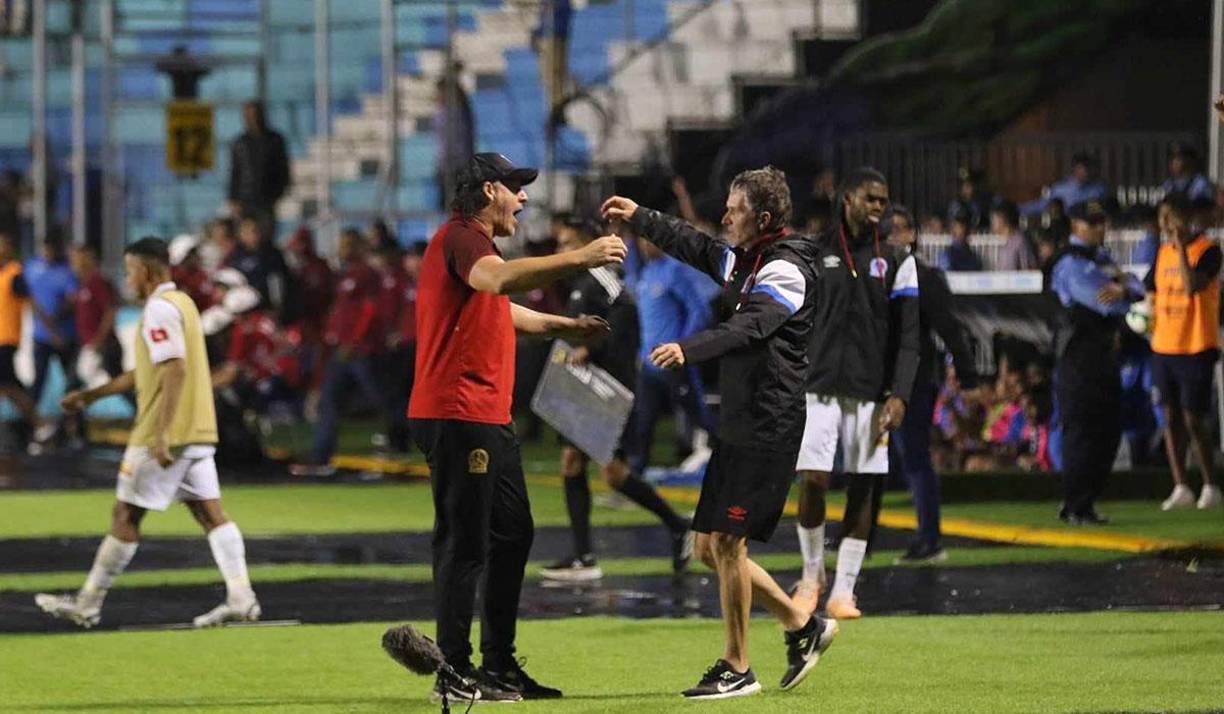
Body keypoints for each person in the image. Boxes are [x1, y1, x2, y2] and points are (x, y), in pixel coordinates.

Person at [603, 167, 837, 699]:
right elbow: (693, 244)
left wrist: (690, 347)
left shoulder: (787, 271)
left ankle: (738, 666)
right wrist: (640, 216)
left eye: (735, 208)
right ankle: (804, 627)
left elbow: (748, 325)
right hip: (741, 419)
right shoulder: (744, 257)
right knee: (708, 547)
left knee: (728, 542)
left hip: (768, 423)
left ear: (765, 218)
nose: (725, 215)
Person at [408, 152, 625, 703]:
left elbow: (496, 307)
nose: (523, 197)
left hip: (483, 414)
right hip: (457, 412)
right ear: (487, 191)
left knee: (512, 532)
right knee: (465, 544)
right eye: (515, 187)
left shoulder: (472, 245)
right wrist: (580, 256)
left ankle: (498, 665)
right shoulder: (462, 239)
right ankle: (453, 671)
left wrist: (563, 325)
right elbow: (499, 281)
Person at [35, 237, 261, 628]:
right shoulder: (184, 304)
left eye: (130, 270)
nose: (128, 278)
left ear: (148, 270)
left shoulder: (158, 309)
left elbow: (173, 368)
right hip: (198, 429)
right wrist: (92, 395)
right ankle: (241, 596)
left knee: (125, 514)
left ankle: (88, 602)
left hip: (166, 431)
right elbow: (151, 370)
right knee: (210, 513)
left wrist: (160, 433)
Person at [792, 167, 920, 620]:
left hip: (871, 392)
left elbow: (908, 337)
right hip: (818, 387)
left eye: (884, 201)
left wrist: (899, 393)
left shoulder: (899, 260)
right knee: (813, 478)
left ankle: (844, 590)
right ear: (847, 199)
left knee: (864, 489)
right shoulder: (813, 253)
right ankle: (812, 576)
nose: (879, 208)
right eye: (871, 199)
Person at [540, 215, 693, 582]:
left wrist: (592, 349)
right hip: (592, 387)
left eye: (568, 243)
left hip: (607, 388)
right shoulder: (584, 282)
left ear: (588, 243)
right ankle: (668, 528)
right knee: (592, 467)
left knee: (594, 468)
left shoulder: (602, 279)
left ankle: (589, 555)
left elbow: (623, 316)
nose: (562, 251)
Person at [884, 206, 979, 562]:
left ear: (912, 234)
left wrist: (967, 379)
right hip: (879, 382)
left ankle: (929, 539)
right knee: (879, 463)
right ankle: (863, 541)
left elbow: (952, 331)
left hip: (913, 383)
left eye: (899, 230)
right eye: (887, 231)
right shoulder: (873, 275)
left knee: (915, 458)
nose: (893, 237)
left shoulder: (924, 277)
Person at [1049, 199, 1143, 525]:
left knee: (1108, 429)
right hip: (1077, 358)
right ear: (1076, 225)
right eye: (1093, 223)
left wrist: (1125, 288)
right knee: (1082, 431)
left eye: (1102, 222)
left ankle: (1084, 503)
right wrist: (1124, 289)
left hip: (1102, 357)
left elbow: (1135, 285)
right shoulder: (1071, 264)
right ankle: (1075, 504)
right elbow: (1107, 304)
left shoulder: (1100, 259)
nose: (1100, 228)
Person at [620, 225, 718, 478]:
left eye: (650, 240)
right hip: (648, 365)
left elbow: (701, 311)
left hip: (674, 363)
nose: (645, 246)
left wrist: (682, 345)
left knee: (699, 417)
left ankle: (732, 463)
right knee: (642, 424)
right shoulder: (646, 273)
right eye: (642, 241)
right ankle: (633, 482)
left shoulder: (675, 272)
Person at [1145, 193, 1222, 510]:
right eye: (1162, 218)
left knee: (1194, 418)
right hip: (1164, 345)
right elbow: (1151, 290)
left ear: (1186, 218)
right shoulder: (1161, 253)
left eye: (1170, 217)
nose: (1165, 225)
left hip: (1195, 345)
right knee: (1169, 416)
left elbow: (1191, 286)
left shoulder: (1209, 251)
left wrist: (1180, 250)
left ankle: (1210, 485)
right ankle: (1180, 486)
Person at [291, 228, 386, 477]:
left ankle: (407, 445)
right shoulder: (345, 275)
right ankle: (320, 455)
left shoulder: (367, 274)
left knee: (382, 400)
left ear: (357, 247)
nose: (341, 249)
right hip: (342, 350)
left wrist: (355, 342)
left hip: (361, 351)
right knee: (329, 401)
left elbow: (370, 310)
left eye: (346, 244)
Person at [25, 235, 80, 423]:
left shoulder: (67, 270)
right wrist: (49, 328)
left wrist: (57, 321)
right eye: (45, 249)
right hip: (41, 337)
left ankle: (76, 430)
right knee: (38, 382)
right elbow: (29, 298)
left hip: (66, 337)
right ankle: (28, 428)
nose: (48, 253)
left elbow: (73, 300)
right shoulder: (31, 267)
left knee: (72, 384)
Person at [68, 244, 128, 415]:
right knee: (73, 386)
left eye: (76, 258)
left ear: (88, 259)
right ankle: (73, 430)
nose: (73, 263)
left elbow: (110, 310)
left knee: (120, 384)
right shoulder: (82, 284)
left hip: (104, 346)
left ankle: (147, 415)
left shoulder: (97, 282)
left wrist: (98, 340)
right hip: (88, 345)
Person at [0, 230, 44, 447]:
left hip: (7, 339)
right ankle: (37, 426)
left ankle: (39, 424)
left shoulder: (15, 274)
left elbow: (31, 302)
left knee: (9, 386)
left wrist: (48, 329)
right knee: (9, 385)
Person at [227, 100, 290, 242]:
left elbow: (283, 169)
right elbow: (235, 171)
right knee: (244, 237)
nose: (252, 118)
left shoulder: (275, 140)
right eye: (248, 115)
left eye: (255, 114)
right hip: (245, 199)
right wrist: (233, 198)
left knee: (265, 235)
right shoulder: (240, 142)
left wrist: (278, 193)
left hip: (266, 198)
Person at [224, 216, 289, 315]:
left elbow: (277, 281)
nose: (253, 235)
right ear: (240, 235)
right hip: (241, 309)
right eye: (247, 232)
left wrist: (277, 306)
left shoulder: (272, 254)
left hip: (265, 308)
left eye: (255, 231)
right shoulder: (235, 256)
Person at [1023, 152, 1110, 217]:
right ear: (1074, 169)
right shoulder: (1059, 189)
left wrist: (1081, 209)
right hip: (1065, 229)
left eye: (1086, 169)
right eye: (1080, 169)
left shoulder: (1099, 189)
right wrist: (1016, 209)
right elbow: (1042, 205)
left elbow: (1104, 207)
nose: (1084, 173)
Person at [992, 199, 1037, 270]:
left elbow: (1027, 269)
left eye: (994, 218)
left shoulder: (1019, 241)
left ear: (1003, 219)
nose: (992, 222)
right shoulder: (1001, 241)